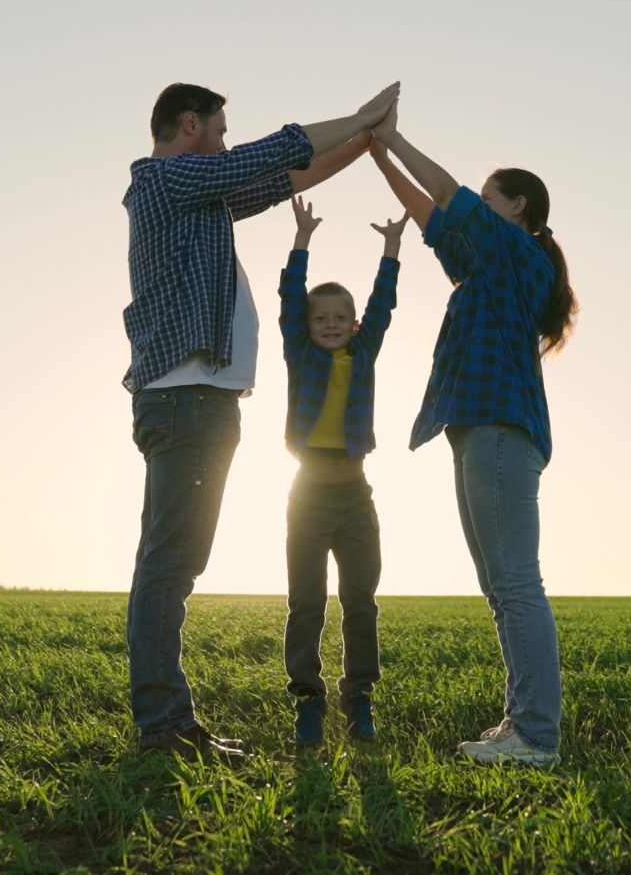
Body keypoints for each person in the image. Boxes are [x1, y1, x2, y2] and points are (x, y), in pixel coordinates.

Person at [122, 80, 398, 760]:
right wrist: (359, 115)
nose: (223, 140)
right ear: (189, 126)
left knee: (174, 562)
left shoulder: (199, 196)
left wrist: (365, 144)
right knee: (169, 567)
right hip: (186, 404)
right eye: (217, 128)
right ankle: (163, 727)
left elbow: (283, 176)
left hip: (198, 405)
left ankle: (170, 723)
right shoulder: (165, 180)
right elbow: (271, 152)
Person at [370, 103, 577, 768]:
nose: (479, 211)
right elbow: (436, 219)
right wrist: (377, 154)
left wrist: (396, 135)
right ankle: (521, 722)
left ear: (517, 209)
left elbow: (448, 196)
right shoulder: (488, 261)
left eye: (491, 201)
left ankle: (536, 736)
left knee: (516, 581)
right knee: (500, 586)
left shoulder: (519, 255)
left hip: (498, 427)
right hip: (476, 428)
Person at [277, 193, 407, 746]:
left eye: (340, 319)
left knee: (360, 601)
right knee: (306, 602)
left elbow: (382, 307)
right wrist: (302, 241)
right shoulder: (300, 354)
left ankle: (359, 696)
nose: (329, 325)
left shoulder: (363, 354)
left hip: (356, 499)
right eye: (319, 318)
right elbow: (288, 300)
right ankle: (308, 699)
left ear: (353, 325)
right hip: (307, 498)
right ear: (308, 325)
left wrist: (392, 250)